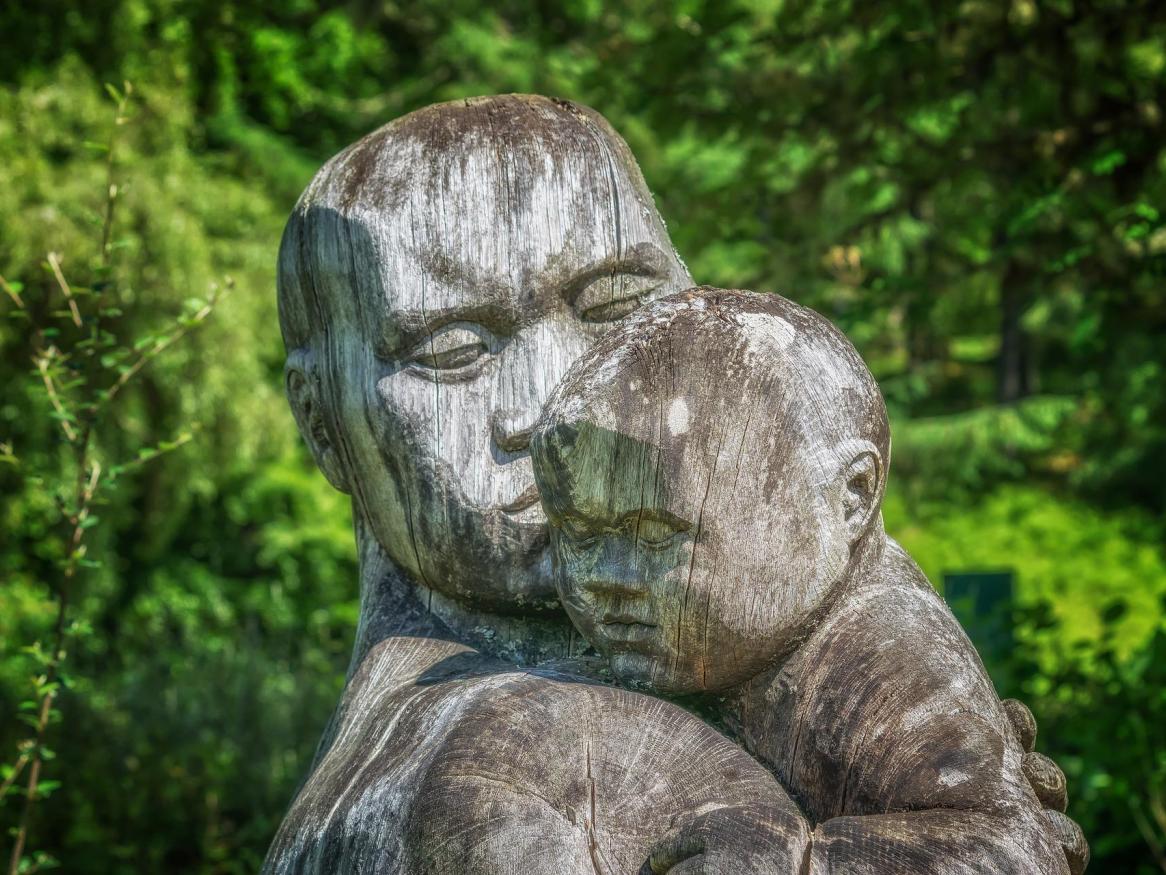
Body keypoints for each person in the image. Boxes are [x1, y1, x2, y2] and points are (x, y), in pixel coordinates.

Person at [265, 96, 1085, 874]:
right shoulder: (493, 772)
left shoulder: (812, 581)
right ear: (321, 421)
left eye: (618, 303)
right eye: (451, 350)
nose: (560, 398)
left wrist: (953, 817)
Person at [531, 287, 1087, 872]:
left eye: (654, 534)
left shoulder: (882, 655)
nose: (608, 578)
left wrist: (799, 861)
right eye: (580, 533)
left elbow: (1011, 851)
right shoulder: (746, 636)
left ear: (850, 498)